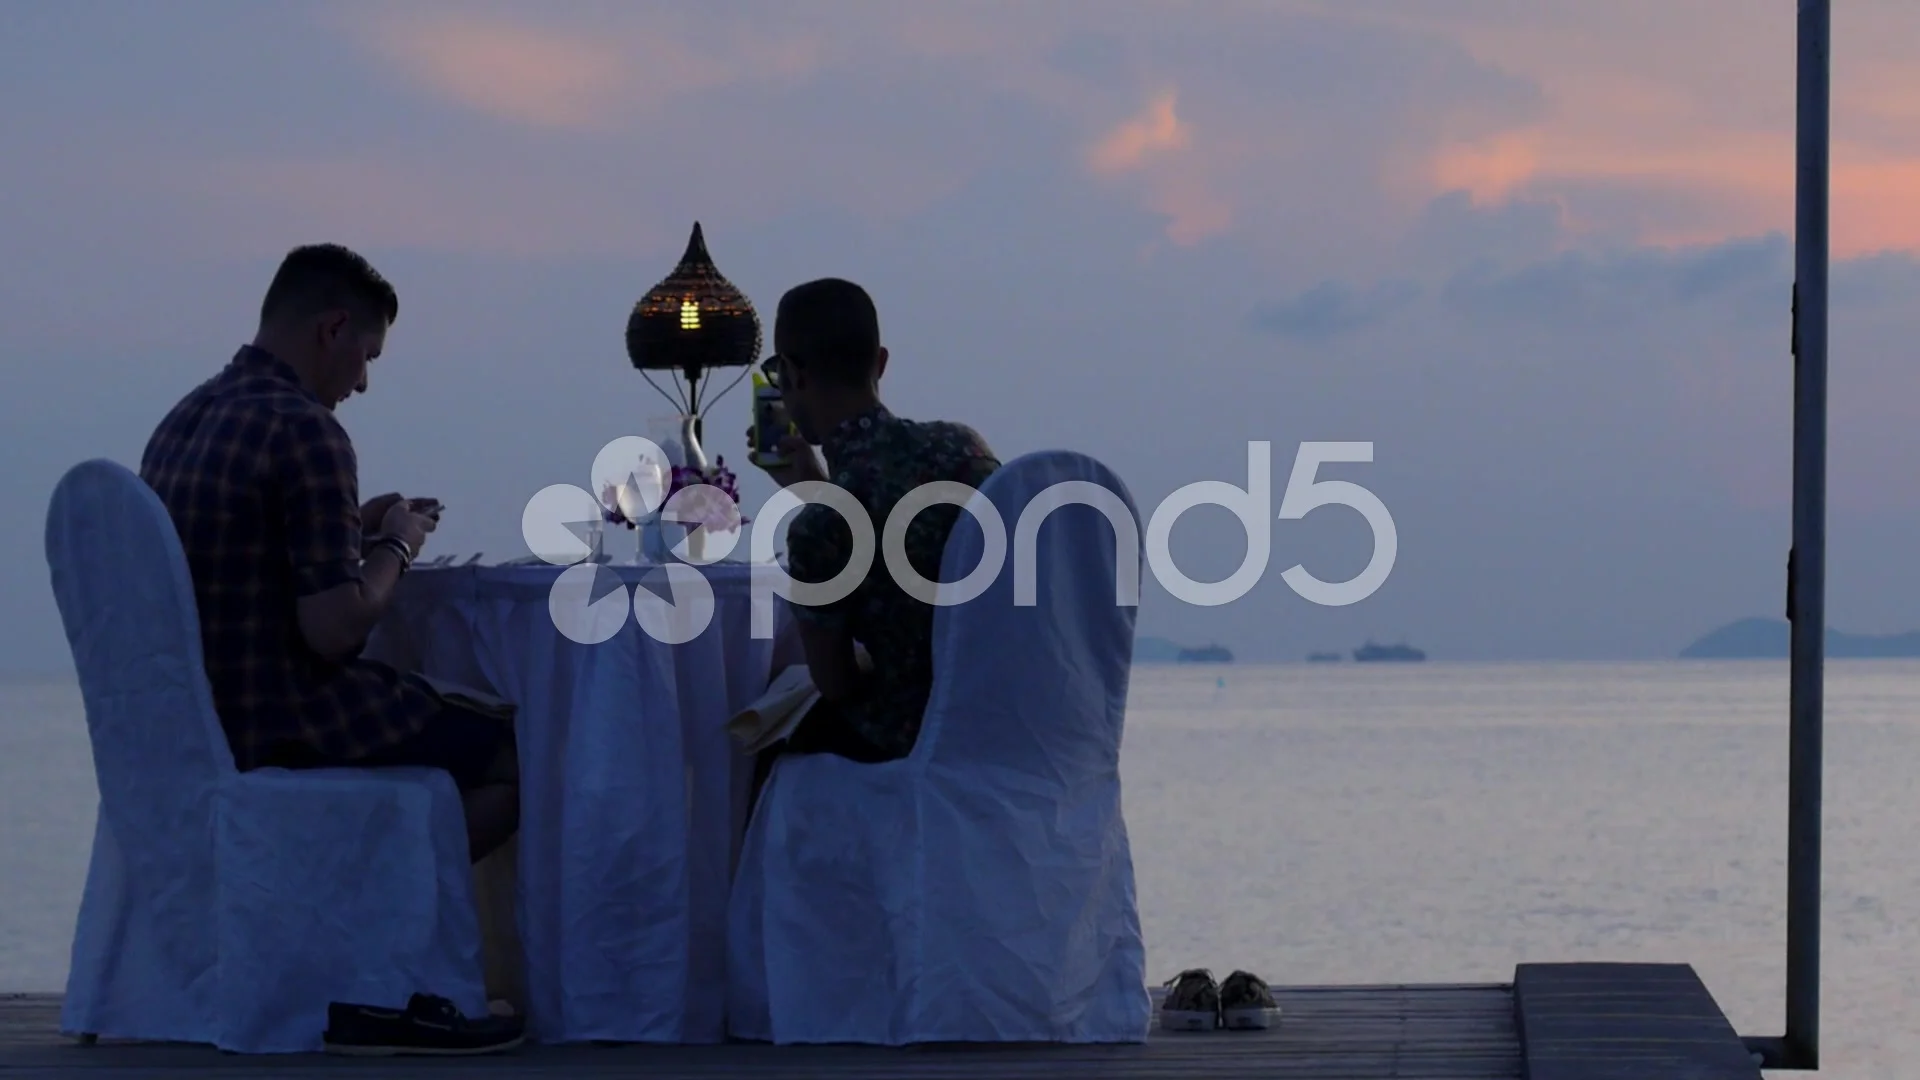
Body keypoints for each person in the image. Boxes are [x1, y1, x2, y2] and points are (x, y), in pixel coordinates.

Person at [140, 243, 518, 865]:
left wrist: (352, 533)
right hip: (281, 718)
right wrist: (399, 541)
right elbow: (335, 630)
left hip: (193, 729)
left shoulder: (183, 419)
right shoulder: (306, 430)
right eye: (367, 357)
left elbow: (241, 561)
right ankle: (379, 903)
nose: (363, 383)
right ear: (334, 328)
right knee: (519, 750)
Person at [746, 278, 1001, 775]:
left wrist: (816, 506)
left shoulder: (821, 525)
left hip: (909, 740)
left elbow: (835, 681)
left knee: (756, 742)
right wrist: (815, 492)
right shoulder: (964, 449)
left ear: (794, 375)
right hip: (997, 718)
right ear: (879, 363)